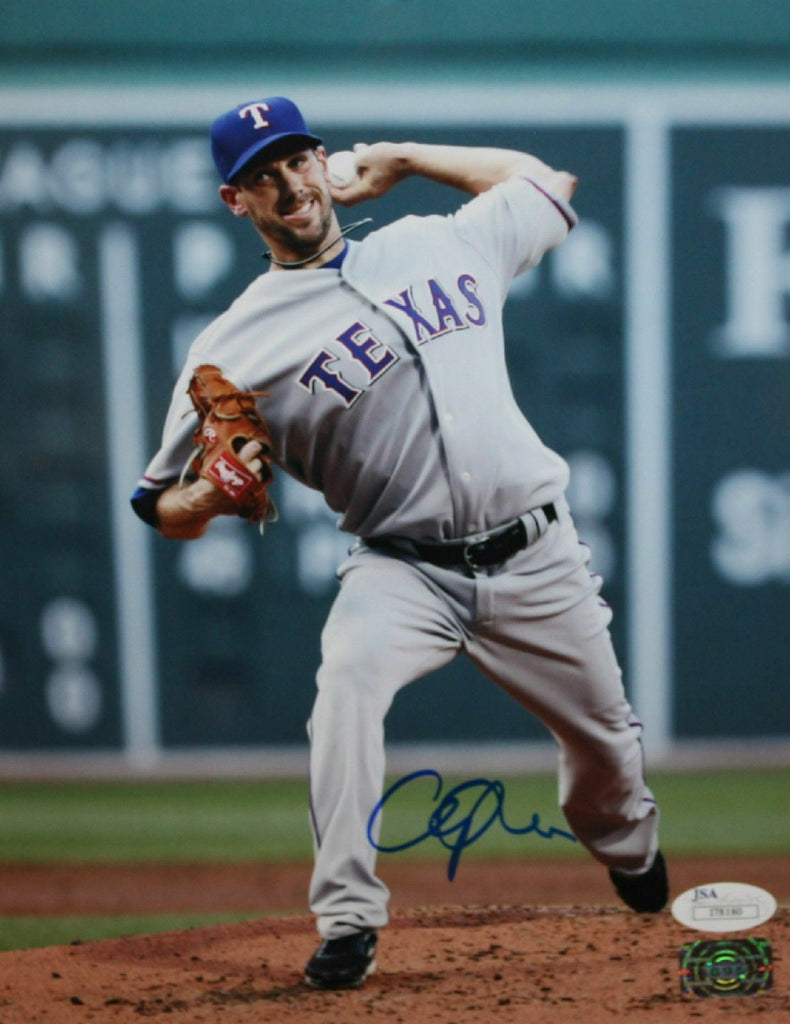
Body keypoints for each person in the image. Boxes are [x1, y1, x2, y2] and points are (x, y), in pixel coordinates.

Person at [132, 95, 668, 990]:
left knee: (607, 751)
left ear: (322, 162)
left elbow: (547, 184)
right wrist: (205, 495)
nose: (287, 185)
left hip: (536, 557)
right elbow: (158, 504)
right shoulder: (233, 345)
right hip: (402, 569)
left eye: (295, 161)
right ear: (236, 201)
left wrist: (408, 156)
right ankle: (347, 918)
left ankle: (627, 845)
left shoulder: (435, 242)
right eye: (261, 177)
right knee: (344, 686)